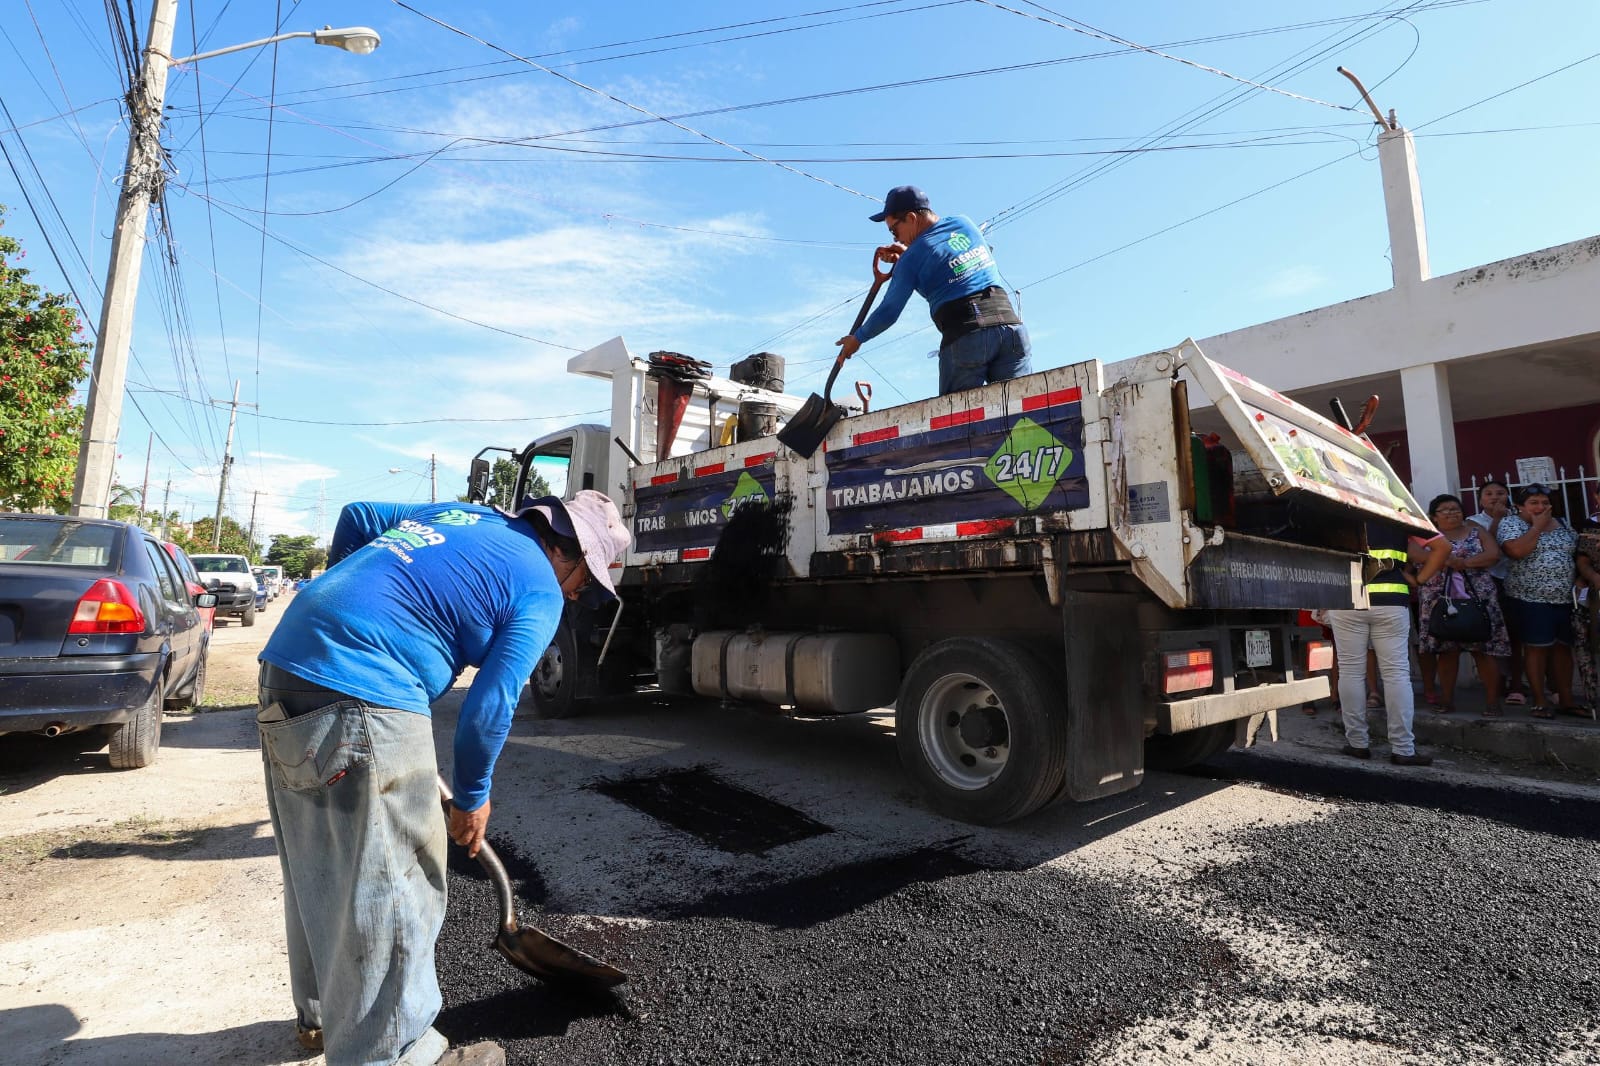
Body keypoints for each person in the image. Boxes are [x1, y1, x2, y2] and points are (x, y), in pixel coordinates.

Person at [256, 491, 630, 1066]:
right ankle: (400, 1054)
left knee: (319, 860)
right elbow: (491, 704)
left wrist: (351, 601)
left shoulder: (464, 515)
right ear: (571, 554)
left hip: (288, 661)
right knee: (400, 878)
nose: (579, 593)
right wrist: (472, 800)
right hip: (370, 684)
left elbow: (357, 515)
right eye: (586, 580)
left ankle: (324, 1021)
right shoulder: (538, 588)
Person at [836, 185, 1032, 396]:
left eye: (894, 230)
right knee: (1020, 414)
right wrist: (906, 257)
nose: (895, 238)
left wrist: (857, 339)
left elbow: (889, 312)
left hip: (967, 336)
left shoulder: (911, 260)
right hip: (1011, 329)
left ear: (911, 218)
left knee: (960, 421)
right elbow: (946, 267)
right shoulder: (964, 223)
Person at [1329, 519, 1449, 765]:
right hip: (1391, 600)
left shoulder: (1335, 509)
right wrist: (1420, 579)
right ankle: (1403, 749)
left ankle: (1357, 744)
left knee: (1350, 671)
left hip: (1345, 597)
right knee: (1396, 674)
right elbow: (1443, 548)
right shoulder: (1396, 510)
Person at [1412, 494, 1508, 716]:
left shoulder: (1476, 530)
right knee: (1447, 651)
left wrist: (1462, 563)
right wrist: (1444, 560)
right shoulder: (1426, 535)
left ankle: (1493, 702)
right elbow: (1415, 556)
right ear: (1434, 517)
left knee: (1483, 651)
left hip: (1478, 596)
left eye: (1455, 509)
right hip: (1439, 598)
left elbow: (1492, 554)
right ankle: (1446, 700)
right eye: (1444, 510)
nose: (1451, 513)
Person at [1494, 483, 1579, 718]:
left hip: (1564, 599)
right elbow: (1516, 551)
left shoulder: (1562, 524)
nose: (1540, 507)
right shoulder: (1511, 524)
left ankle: (1567, 700)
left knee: (1563, 650)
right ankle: (1540, 701)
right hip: (1530, 598)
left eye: (1544, 502)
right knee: (1537, 650)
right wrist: (1538, 527)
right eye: (1534, 503)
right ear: (1520, 506)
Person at [1468, 480, 1521, 704]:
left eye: (1500, 493)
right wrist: (1498, 519)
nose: (1495, 497)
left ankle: (1517, 684)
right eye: (1488, 494)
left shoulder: (1518, 517)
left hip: (1515, 581)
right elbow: (1487, 548)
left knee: (1516, 636)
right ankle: (1496, 681)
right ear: (1481, 500)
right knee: (1492, 636)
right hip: (1488, 583)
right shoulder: (1474, 521)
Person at [1570, 484, 1600, 715]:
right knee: (1590, 647)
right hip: (1594, 595)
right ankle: (1595, 702)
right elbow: (1583, 559)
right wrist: (1593, 577)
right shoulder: (1592, 524)